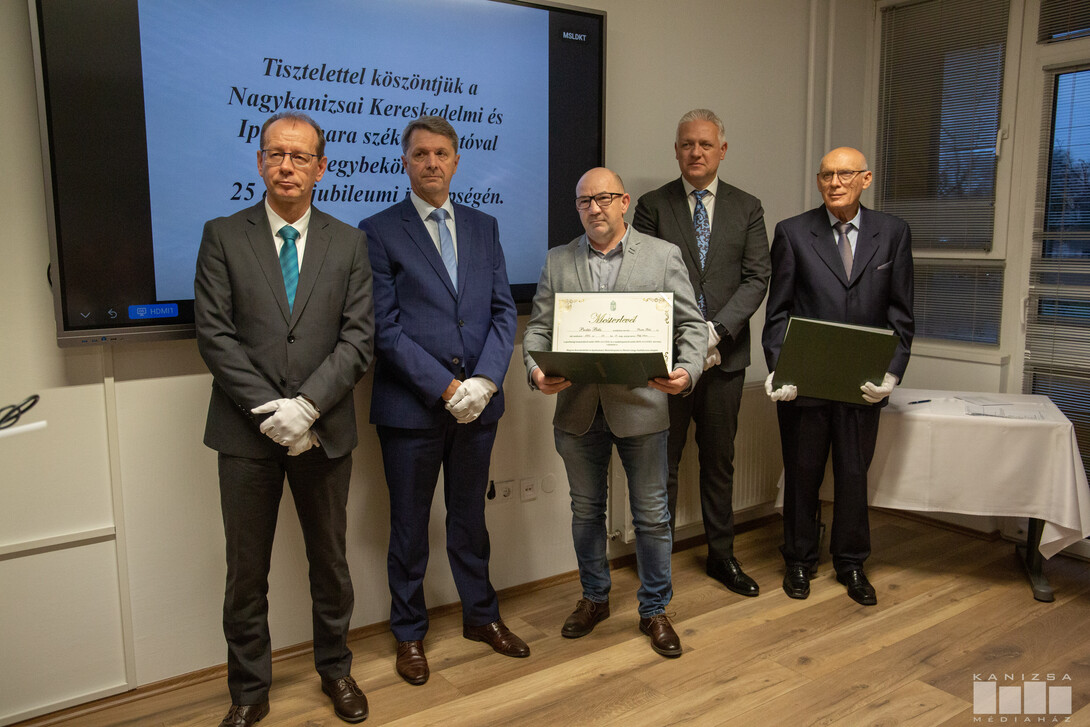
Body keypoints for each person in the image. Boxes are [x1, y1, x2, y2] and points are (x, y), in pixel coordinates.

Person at [195, 111, 374, 726]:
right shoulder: (223, 235)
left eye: (299, 157)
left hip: (325, 432)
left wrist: (307, 407)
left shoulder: (349, 242)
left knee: (330, 564)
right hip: (246, 436)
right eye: (275, 154)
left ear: (321, 168)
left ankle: (336, 669)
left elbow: (358, 339)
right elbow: (215, 336)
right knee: (246, 573)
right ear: (259, 162)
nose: (286, 166)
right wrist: (273, 412)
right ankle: (249, 692)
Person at [359, 115, 525, 687]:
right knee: (409, 528)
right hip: (412, 408)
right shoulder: (377, 230)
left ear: (457, 161)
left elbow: (503, 311)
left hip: (479, 404)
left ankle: (481, 616)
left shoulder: (484, 226)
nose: (432, 162)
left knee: (470, 519)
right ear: (405, 162)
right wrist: (448, 388)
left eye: (441, 153)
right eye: (421, 154)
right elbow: (384, 329)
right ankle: (409, 633)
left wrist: (485, 381)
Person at [523, 167, 706, 658]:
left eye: (604, 198)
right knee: (586, 513)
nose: (594, 208)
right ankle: (594, 598)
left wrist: (688, 371)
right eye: (585, 201)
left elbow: (691, 325)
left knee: (652, 516)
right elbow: (538, 330)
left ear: (624, 202)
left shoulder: (662, 256)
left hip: (642, 408)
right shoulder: (558, 260)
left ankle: (655, 609)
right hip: (578, 410)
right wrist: (536, 371)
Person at [761, 147, 914, 607]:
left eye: (845, 174)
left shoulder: (893, 233)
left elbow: (901, 314)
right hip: (804, 382)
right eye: (826, 175)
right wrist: (779, 368)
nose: (835, 183)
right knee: (802, 474)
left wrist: (892, 373)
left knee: (853, 476)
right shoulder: (792, 232)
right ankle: (799, 560)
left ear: (865, 179)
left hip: (862, 385)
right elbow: (778, 312)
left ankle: (851, 563)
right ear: (818, 181)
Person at [632, 109, 771, 597]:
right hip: (667, 361)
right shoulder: (652, 206)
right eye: (687, 144)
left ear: (722, 151)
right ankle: (658, 564)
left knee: (719, 462)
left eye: (705, 144)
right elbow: (644, 279)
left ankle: (722, 556)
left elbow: (757, 278)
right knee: (662, 466)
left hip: (725, 358)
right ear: (676, 150)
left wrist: (715, 332)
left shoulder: (747, 207)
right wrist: (689, 339)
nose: (696, 152)